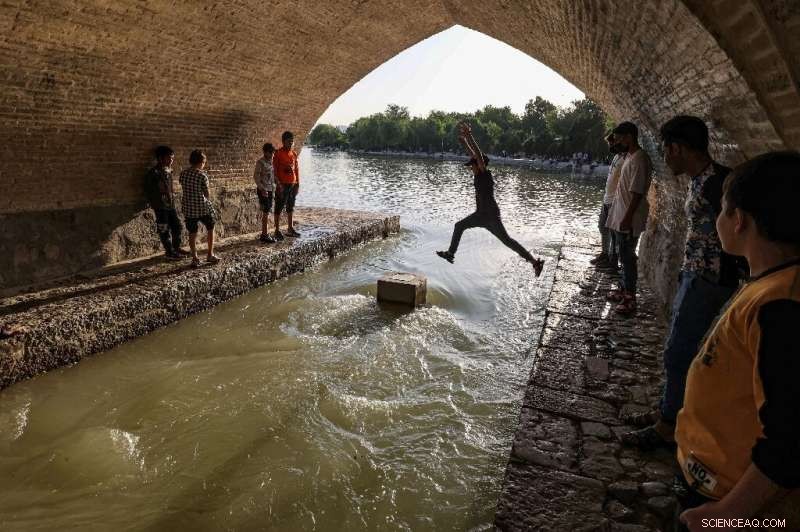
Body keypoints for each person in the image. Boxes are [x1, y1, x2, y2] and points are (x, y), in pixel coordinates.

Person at [674, 151, 800, 531]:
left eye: (723, 210)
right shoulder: (772, 284)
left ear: (739, 219)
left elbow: (790, 437)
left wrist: (728, 514)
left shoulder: (779, 307)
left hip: (734, 502)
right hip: (715, 481)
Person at [622, 116, 746, 450]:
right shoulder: (699, 180)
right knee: (677, 347)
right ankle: (669, 408)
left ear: (677, 148)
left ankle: (668, 426)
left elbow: (740, 232)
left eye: (666, 150)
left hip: (710, 279)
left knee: (679, 351)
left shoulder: (719, 184)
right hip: (693, 275)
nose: (665, 157)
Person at [436, 122, 544, 276]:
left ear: (480, 165)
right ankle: (450, 254)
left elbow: (478, 156)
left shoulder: (484, 174)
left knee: (508, 241)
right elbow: (473, 155)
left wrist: (470, 136)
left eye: (472, 165)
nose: (471, 167)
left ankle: (535, 262)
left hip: (491, 216)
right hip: (480, 215)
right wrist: (464, 142)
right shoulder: (477, 174)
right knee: (459, 226)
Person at [605, 122, 652, 315]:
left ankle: (630, 297)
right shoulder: (630, 157)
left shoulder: (640, 159)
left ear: (629, 137)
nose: (616, 143)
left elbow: (637, 193)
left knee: (628, 256)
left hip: (629, 218)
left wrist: (627, 218)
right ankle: (623, 288)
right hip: (621, 215)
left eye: (619, 139)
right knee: (623, 255)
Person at [590, 131, 626, 269]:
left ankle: (612, 259)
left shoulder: (626, 159)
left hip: (615, 200)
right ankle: (605, 253)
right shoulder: (616, 157)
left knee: (613, 232)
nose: (610, 146)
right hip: (607, 198)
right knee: (602, 226)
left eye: (611, 143)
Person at [143, 145, 187, 260]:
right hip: (160, 206)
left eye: (172, 158)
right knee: (164, 229)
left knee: (177, 226)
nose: (171, 160)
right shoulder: (154, 173)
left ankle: (176, 248)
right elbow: (148, 189)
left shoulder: (168, 171)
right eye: (169, 158)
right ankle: (169, 252)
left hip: (170, 205)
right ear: (160, 158)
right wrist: (154, 201)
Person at [179, 150, 219, 267]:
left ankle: (195, 258)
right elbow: (207, 194)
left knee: (192, 232)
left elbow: (184, 187)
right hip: (202, 207)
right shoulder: (202, 175)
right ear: (201, 162)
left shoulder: (183, 174)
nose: (204, 165)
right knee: (211, 227)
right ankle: (210, 254)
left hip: (188, 207)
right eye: (204, 162)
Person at [273, 131, 301, 240]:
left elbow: (297, 170)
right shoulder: (278, 153)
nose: (290, 143)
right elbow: (274, 170)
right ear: (283, 141)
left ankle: (290, 228)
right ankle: (277, 230)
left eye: (292, 142)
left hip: (292, 184)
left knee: (290, 207)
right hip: (282, 185)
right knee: (279, 207)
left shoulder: (293, 154)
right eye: (289, 141)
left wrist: (297, 184)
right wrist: (278, 184)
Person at [254, 143, 277, 243]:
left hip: (270, 189)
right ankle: (264, 234)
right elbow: (256, 177)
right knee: (266, 211)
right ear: (265, 152)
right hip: (263, 190)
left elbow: (273, 176)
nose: (272, 154)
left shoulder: (272, 162)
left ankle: (265, 233)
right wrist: (262, 188)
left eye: (273, 152)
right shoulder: (260, 162)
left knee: (267, 210)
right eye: (270, 152)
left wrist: (277, 184)